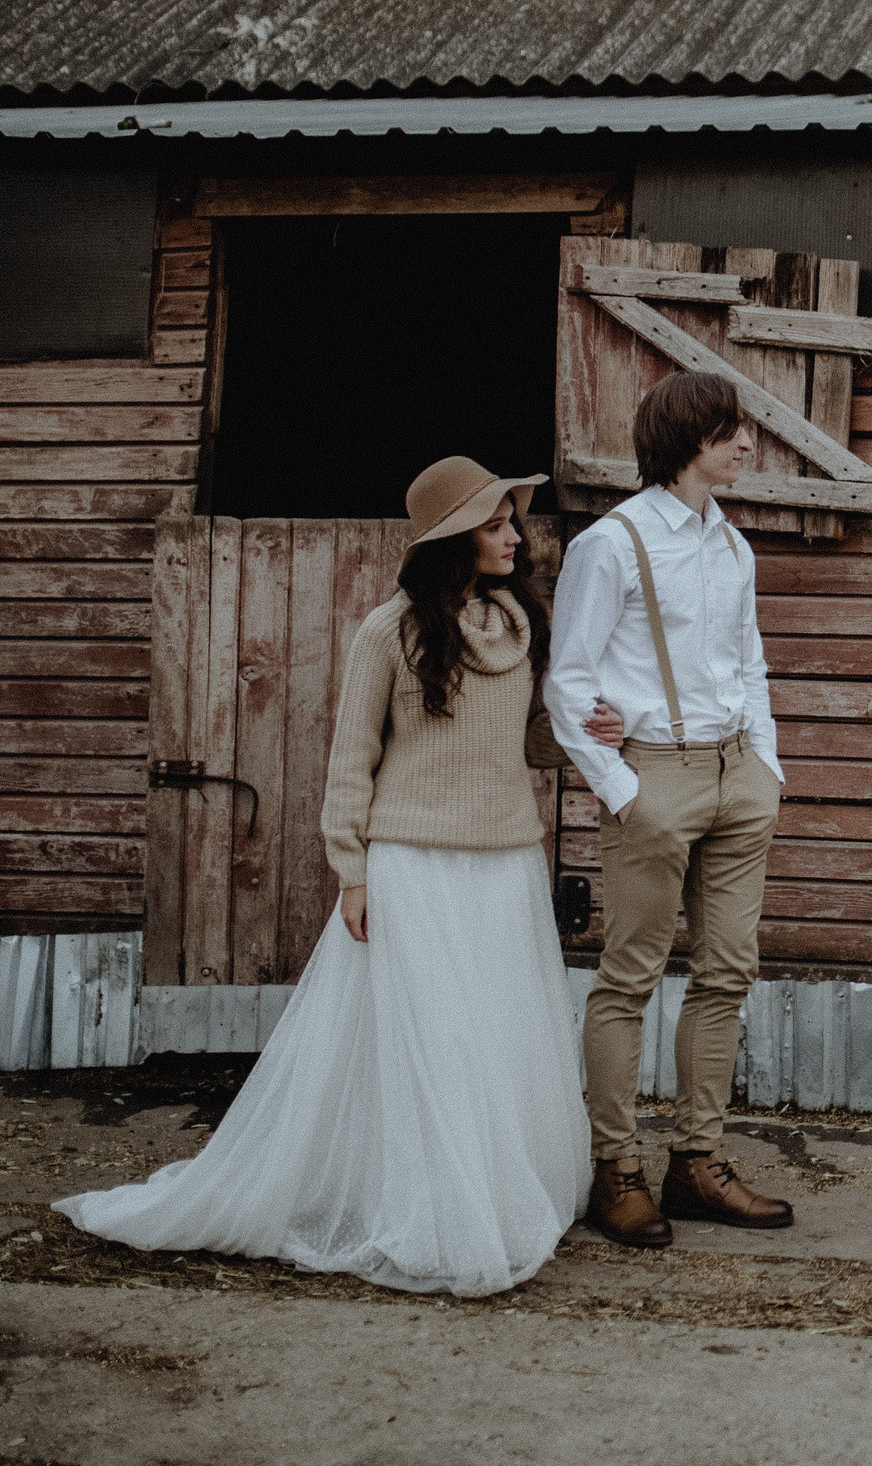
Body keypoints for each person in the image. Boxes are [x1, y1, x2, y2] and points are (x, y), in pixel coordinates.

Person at [59, 457, 603, 1296]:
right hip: (412, 863)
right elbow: (352, 762)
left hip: (504, 862)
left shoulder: (521, 623)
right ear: (456, 537)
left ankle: (492, 1198)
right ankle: (433, 1213)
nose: (514, 536)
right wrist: (353, 871)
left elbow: (525, 747)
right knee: (436, 1042)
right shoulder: (388, 631)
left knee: (494, 1033)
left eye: (511, 521)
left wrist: (577, 727)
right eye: (497, 523)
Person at [546, 371, 793, 1248]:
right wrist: (624, 790)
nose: (746, 444)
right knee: (629, 978)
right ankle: (616, 1169)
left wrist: (766, 769)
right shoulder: (612, 544)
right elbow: (568, 683)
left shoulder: (733, 545)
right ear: (691, 438)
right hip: (653, 780)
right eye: (732, 430)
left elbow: (750, 662)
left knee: (727, 970)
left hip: (736, 778)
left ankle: (697, 1162)